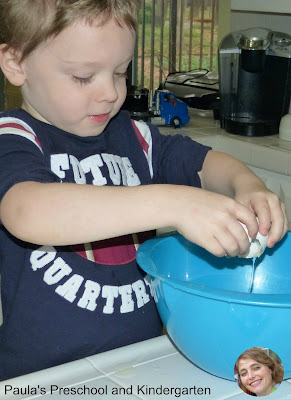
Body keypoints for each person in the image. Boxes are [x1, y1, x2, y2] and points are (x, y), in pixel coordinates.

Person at [0, 0, 287, 381]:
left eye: (120, 72)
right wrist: (175, 203)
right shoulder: (15, 138)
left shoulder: (132, 136)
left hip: (145, 362)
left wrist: (247, 185)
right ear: (16, 63)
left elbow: (206, 163)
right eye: (84, 77)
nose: (109, 93)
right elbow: (28, 212)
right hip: (44, 377)